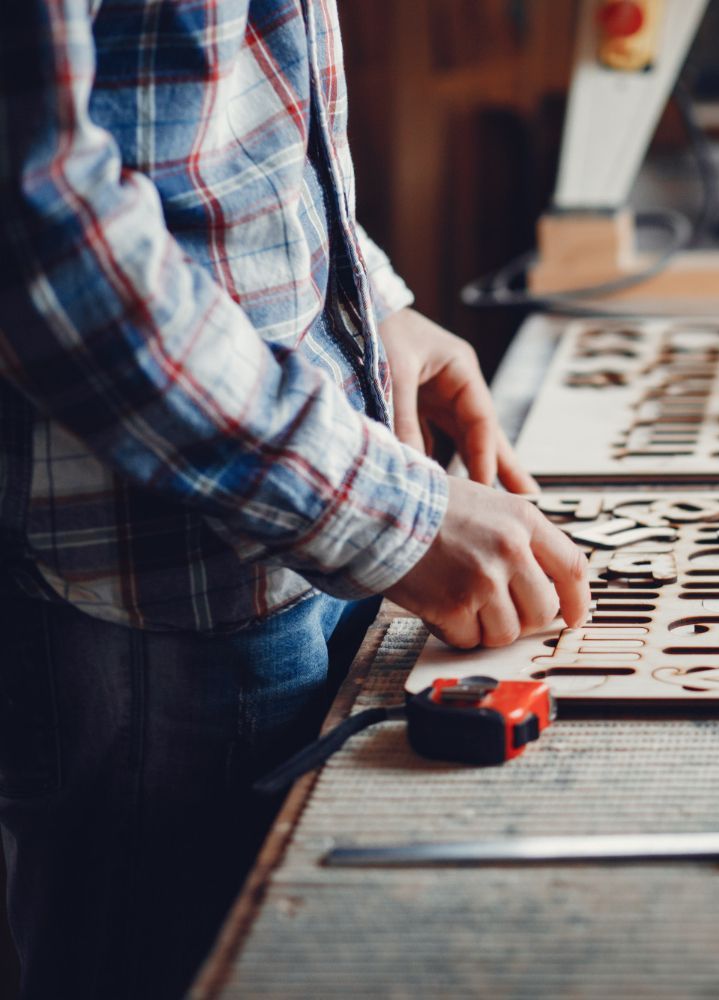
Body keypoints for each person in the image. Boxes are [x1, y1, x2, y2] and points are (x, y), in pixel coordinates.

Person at [0, 1, 590, 996]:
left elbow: (209, 124)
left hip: (301, 502)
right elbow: (38, 236)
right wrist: (394, 517)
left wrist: (370, 307)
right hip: (158, 604)